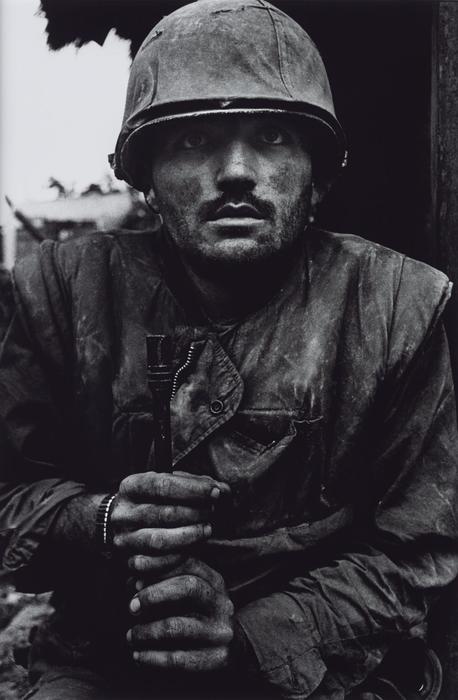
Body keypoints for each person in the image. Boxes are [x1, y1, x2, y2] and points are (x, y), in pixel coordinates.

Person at [0, 1, 457, 698]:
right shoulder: (59, 294)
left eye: (272, 136)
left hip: (329, 663)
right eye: (192, 141)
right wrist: (97, 520)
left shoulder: (400, 306)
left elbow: (417, 549)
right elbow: (10, 496)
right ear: (145, 174)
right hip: (104, 655)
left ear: (319, 177)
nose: (237, 171)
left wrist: (257, 635)